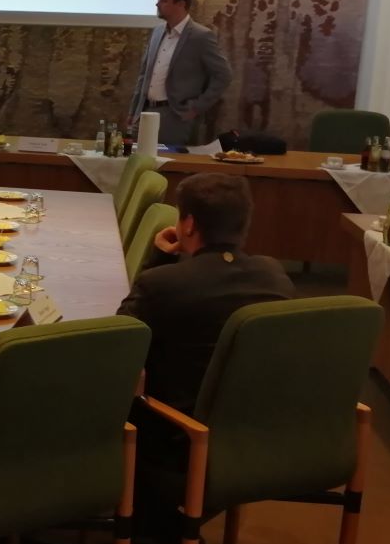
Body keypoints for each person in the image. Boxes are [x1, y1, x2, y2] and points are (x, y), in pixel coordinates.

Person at [117, 172, 295, 416]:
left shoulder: (163, 284)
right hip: (255, 427)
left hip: (176, 432)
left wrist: (159, 259)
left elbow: (120, 342)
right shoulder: (274, 275)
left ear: (188, 224)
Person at [127, 0, 231, 146]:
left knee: (167, 166)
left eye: (164, 0)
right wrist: (134, 111)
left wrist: (196, 107)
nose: (157, 4)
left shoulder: (201, 37)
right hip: (145, 111)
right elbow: (144, 75)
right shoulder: (157, 32)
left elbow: (223, 75)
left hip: (175, 115)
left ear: (181, 4)